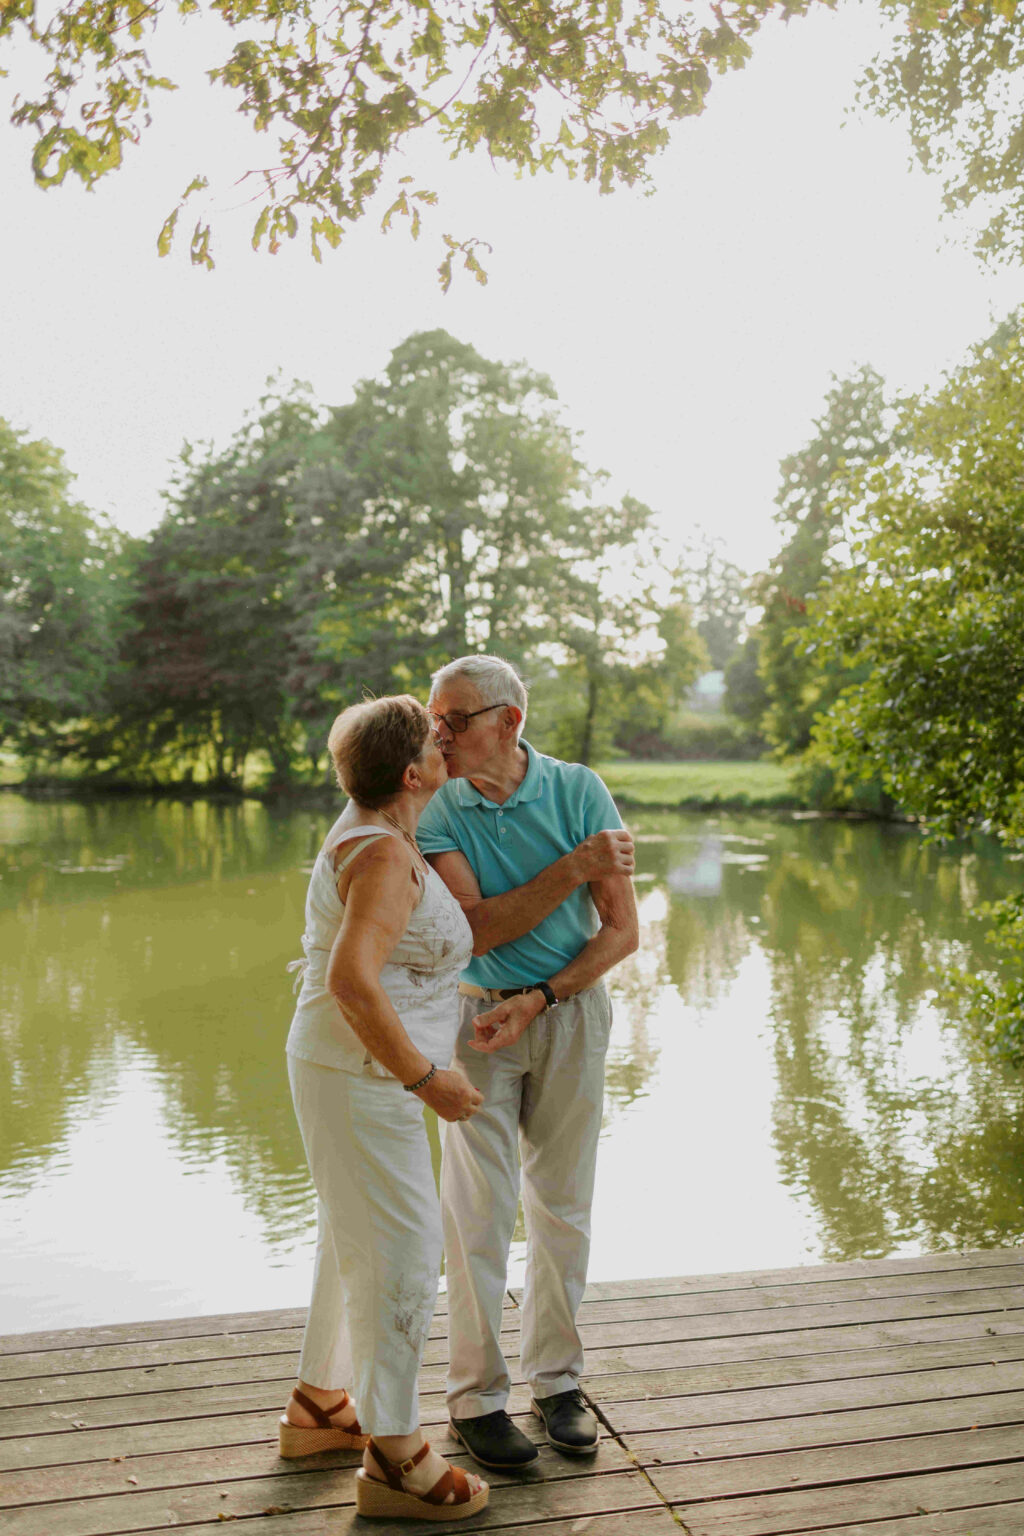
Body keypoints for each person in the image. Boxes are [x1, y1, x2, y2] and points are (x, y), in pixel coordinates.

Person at [416, 655, 638, 1471]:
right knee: (477, 1212)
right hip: (475, 1020)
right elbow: (474, 931)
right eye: (436, 718)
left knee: (563, 1208)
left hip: (568, 1012)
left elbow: (621, 933)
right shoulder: (438, 803)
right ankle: (477, 1399)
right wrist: (574, 869)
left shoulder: (581, 790)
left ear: (509, 721)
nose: (439, 732)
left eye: (456, 718)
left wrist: (542, 997)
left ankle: (557, 1385)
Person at [280, 694, 489, 1522]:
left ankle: (323, 1406)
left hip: (348, 1069)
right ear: (413, 775)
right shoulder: (383, 857)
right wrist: (425, 1078)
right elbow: (351, 980)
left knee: (353, 1240)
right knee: (405, 1250)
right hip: (366, 1075)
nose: (446, 747)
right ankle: (396, 1455)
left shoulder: (378, 830)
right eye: (435, 744)